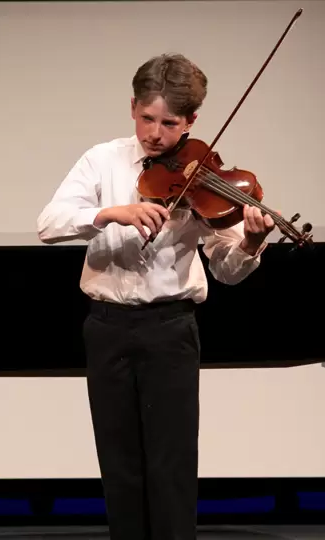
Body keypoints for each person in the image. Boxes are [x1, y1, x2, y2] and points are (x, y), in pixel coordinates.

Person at [36, 53, 275, 540]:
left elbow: (227, 271)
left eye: (169, 123)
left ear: (191, 121)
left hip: (170, 329)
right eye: (148, 118)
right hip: (106, 326)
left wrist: (249, 243)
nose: (155, 134)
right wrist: (110, 213)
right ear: (132, 107)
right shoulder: (101, 159)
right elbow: (49, 224)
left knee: (171, 467)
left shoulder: (203, 177)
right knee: (119, 465)